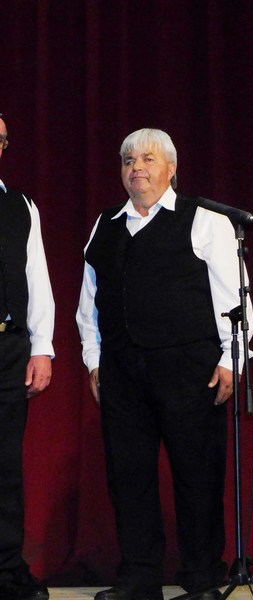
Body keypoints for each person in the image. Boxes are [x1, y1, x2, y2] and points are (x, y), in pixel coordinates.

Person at [76, 128, 253, 600]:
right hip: (122, 371)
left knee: (197, 476)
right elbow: (89, 301)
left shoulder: (206, 221)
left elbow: (235, 302)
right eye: (128, 160)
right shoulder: (106, 223)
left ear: (171, 168)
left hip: (190, 370)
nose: (136, 167)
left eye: (148, 158)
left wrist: (231, 361)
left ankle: (202, 578)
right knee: (129, 477)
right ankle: (139, 577)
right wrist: (94, 359)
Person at [0, 115, 55, 600]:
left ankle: (5, 568)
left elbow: (36, 278)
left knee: (5, 465)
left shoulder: (21, 206)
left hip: (8, 348)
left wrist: (42, 347)